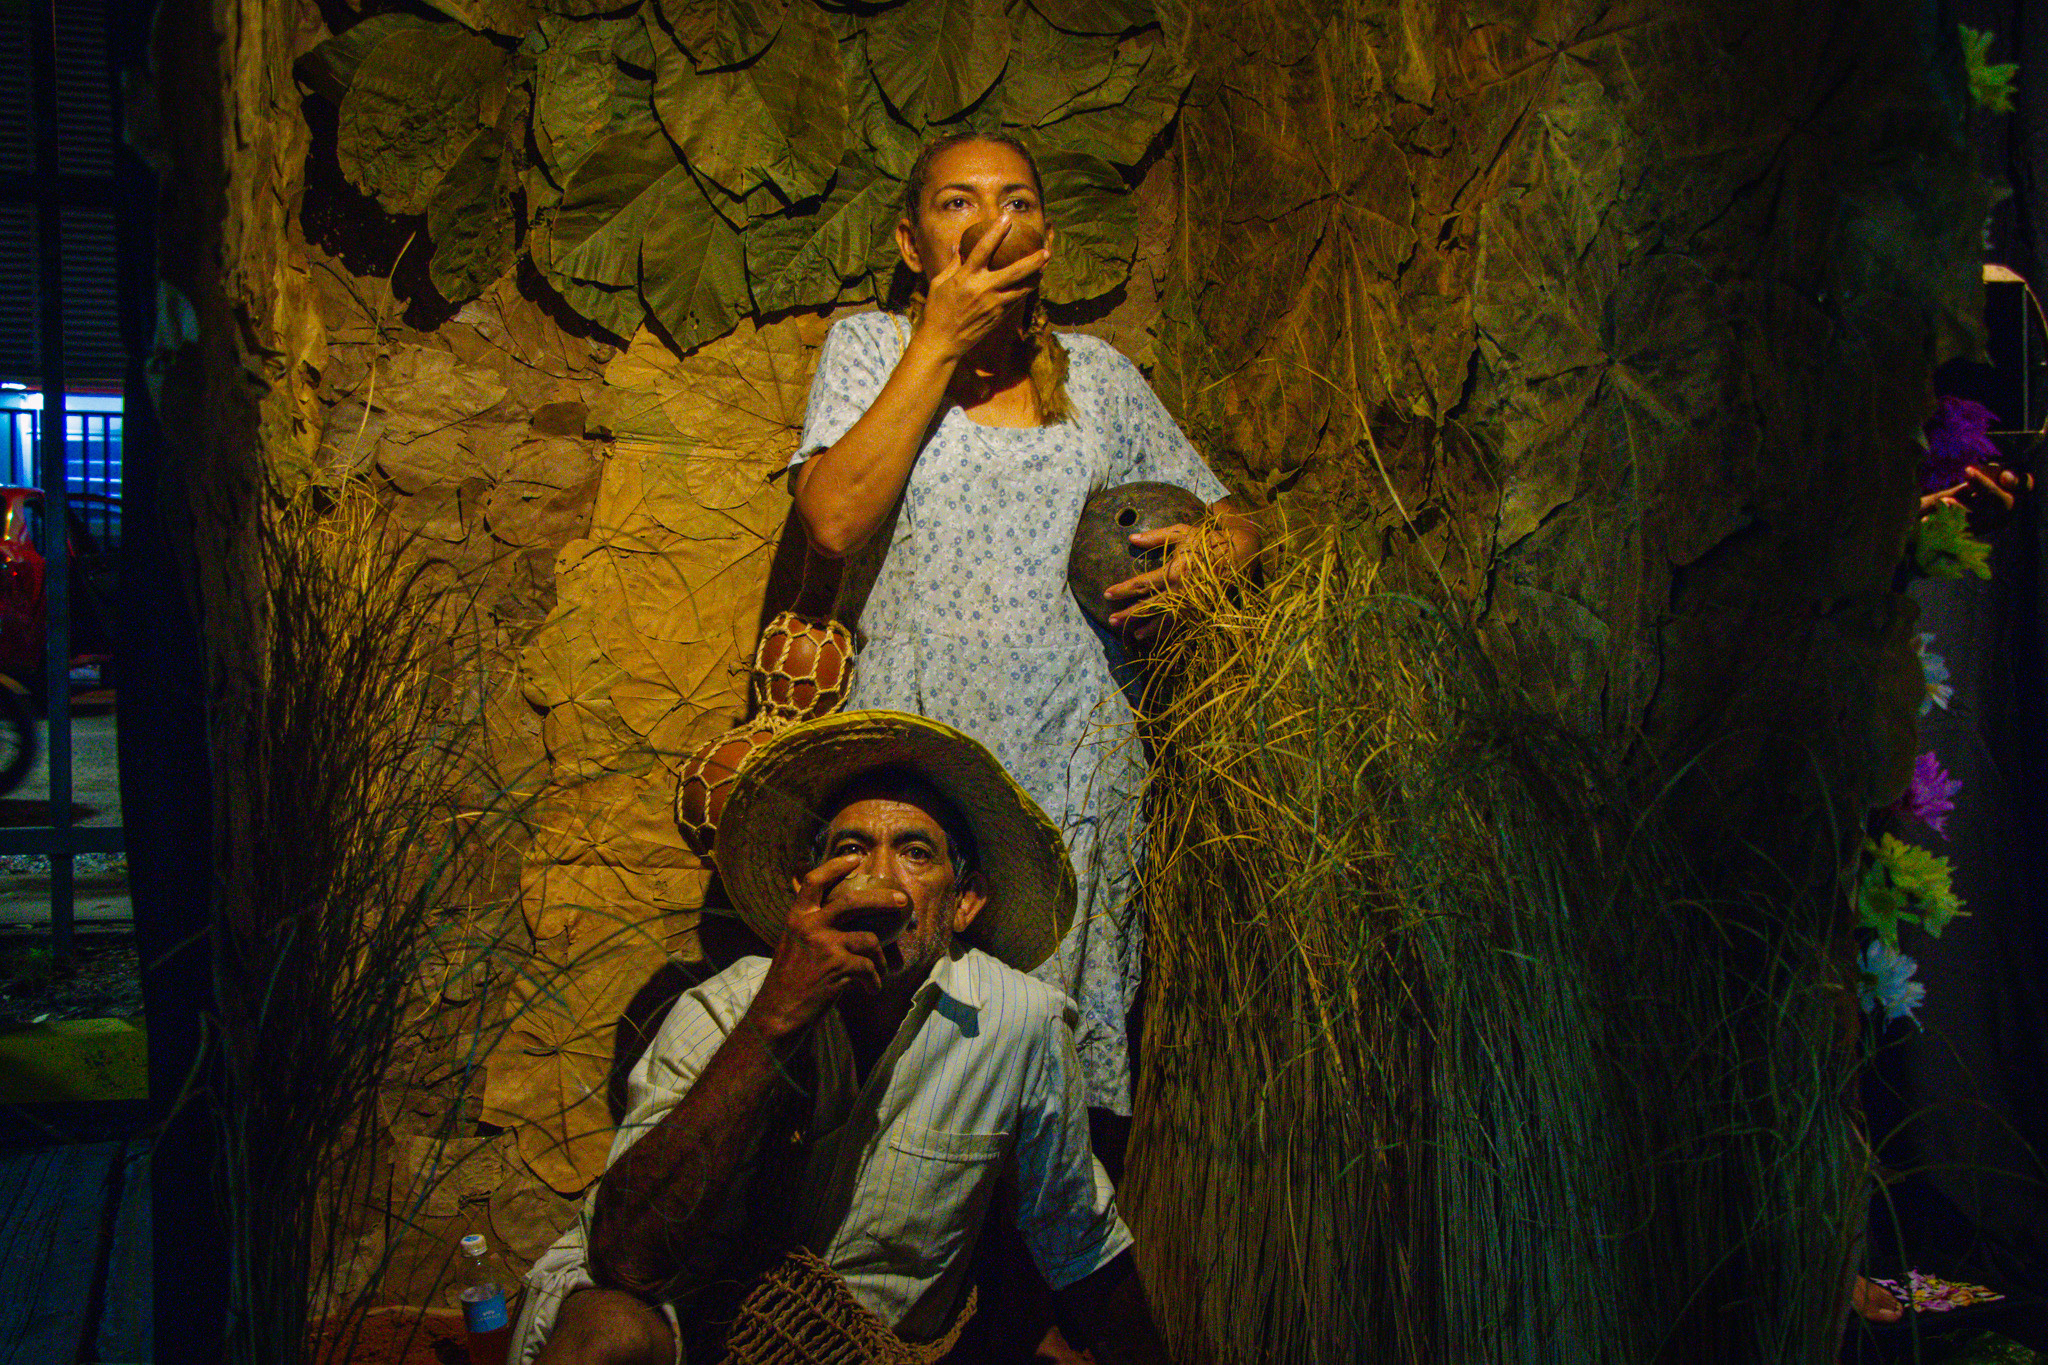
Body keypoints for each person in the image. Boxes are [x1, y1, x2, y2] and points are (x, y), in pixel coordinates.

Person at [789, 131, 1260, 1126]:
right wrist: (939, 340)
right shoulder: (870, 348)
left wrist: (1214, 551)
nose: (990, 220)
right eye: (957, 202)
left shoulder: (1096, 375)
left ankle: (1043, 1226)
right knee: (889, 1053)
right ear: (910, 242)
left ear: (1044, 236)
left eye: (1015, 200)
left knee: (1044, 1078)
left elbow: (1233, 518)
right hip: (917, 753)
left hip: (1072, 762)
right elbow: (831, 519)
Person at [511, 711, 1170, 1365]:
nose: (879, 881)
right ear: (808, 889)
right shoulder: (727, 1007)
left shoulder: (1018, 1024)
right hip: (691, 1330)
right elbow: (627, 1257)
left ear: (965, 900)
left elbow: (1079, 1243)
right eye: (851, 849)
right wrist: (778, 1016)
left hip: (854, 1347)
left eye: (915, 853)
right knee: (607, 1334)